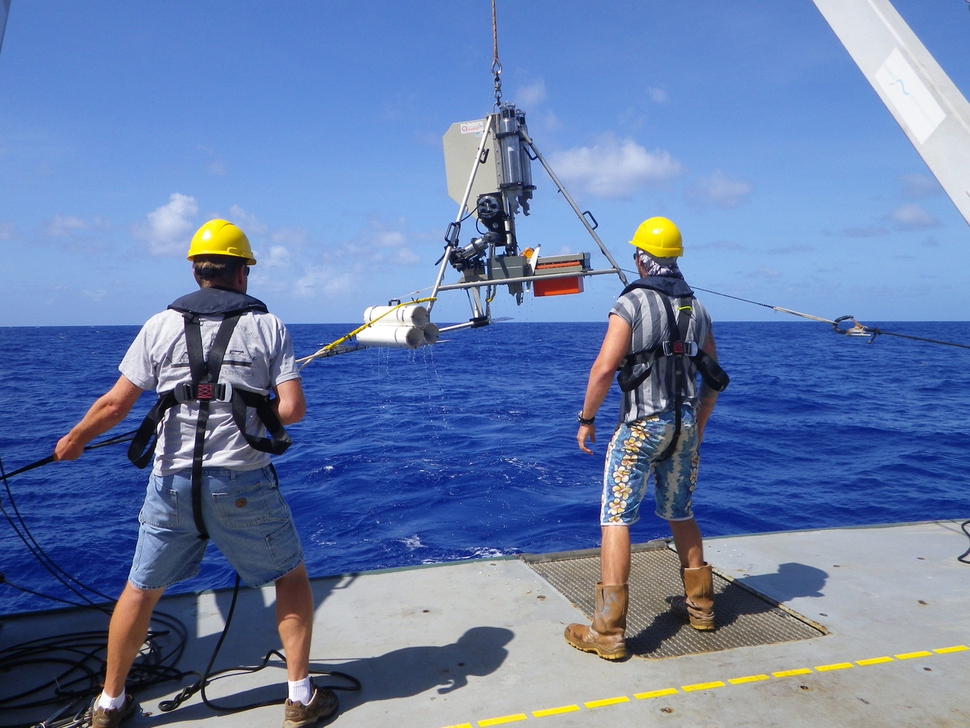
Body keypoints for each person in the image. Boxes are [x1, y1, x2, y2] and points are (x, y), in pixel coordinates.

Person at [54, 220, 338, 728]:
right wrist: (252, 403)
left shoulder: (159, 326)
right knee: (290, 577)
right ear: (243, 273)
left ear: (195, 269)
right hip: (243, 483)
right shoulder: (268, 327)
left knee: (140, 589)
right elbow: (292, 411)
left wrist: (75, 439)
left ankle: (109, 705)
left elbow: (116, 404)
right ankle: (300, 698)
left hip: (171, 484)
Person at [564, 216, 727, 661]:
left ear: (642, 257)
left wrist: (586, 418)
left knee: (615, 518)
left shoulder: (631, 302)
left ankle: (609, 631)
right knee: (680, 511)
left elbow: (602, 368)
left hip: (639, 428)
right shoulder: (698, 308)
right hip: (685, 427)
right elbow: (713, 378)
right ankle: (702, 607)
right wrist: (698, 425)